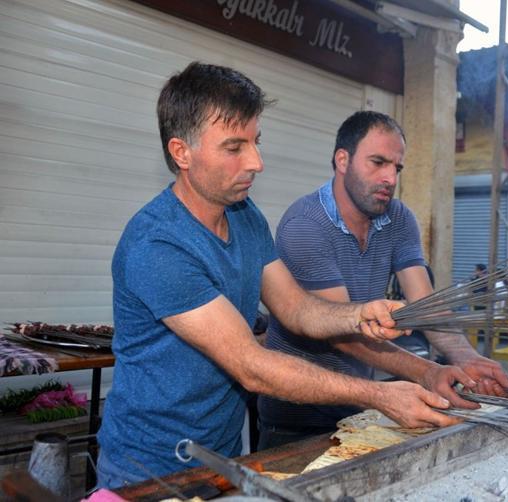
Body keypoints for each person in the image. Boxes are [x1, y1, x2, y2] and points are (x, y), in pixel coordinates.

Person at [96, 63, 474, 488]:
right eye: (234, 147)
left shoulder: (243, 215)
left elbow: (296, 308)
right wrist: (381, 395)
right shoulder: (158, 245)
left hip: (221, 456)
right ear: (182, 152)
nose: (256, 162)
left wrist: (360, 313)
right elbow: (251, 366)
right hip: (147, 469)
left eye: (256, 142)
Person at [257, 111, 508, 450]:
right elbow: (342, 333)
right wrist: (426, 371)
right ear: (342, 160)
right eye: (377, 162)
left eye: (397, 167)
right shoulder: (305, 225)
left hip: (363, 406)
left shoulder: (398, 218)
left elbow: (427, 307)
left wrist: (465, 358)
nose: (390, 178)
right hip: (298, 416)